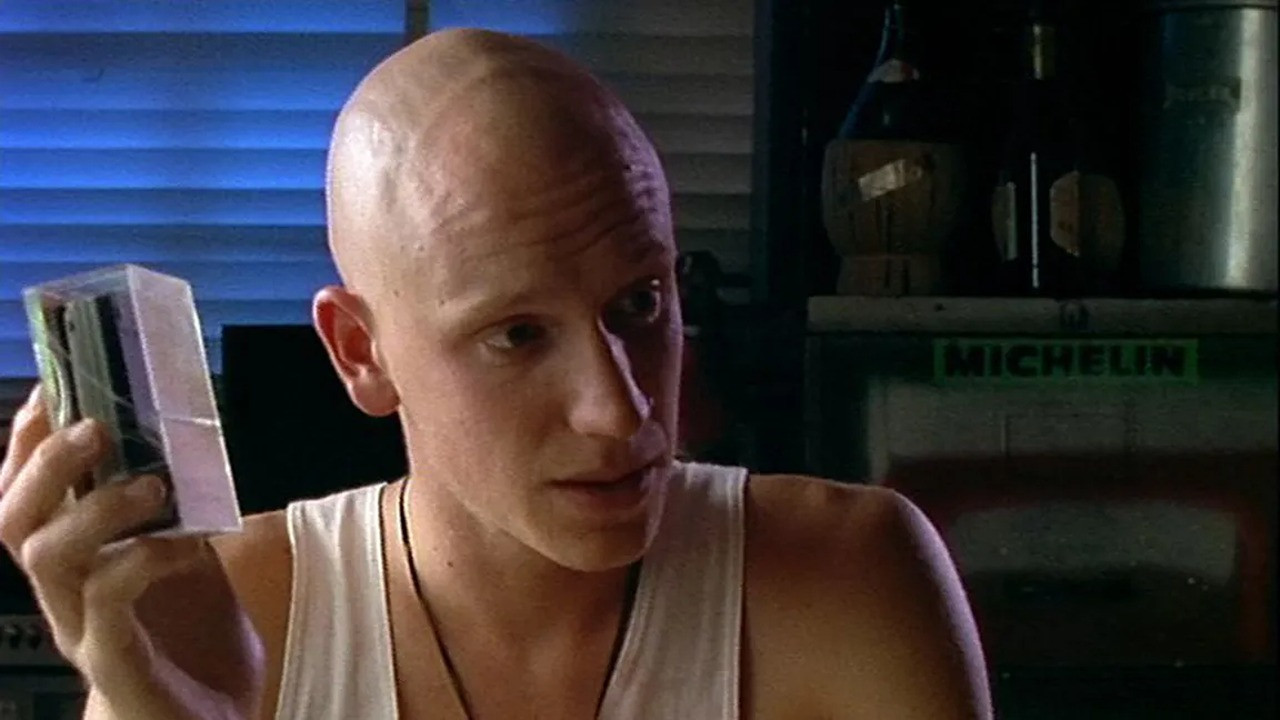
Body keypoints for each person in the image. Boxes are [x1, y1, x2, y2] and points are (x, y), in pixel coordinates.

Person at [0, 28, 992, 720]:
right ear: (360, 352)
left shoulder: (847, 580)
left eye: (639, 303)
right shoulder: (237, 614)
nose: (621, 413)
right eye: (517, 335)